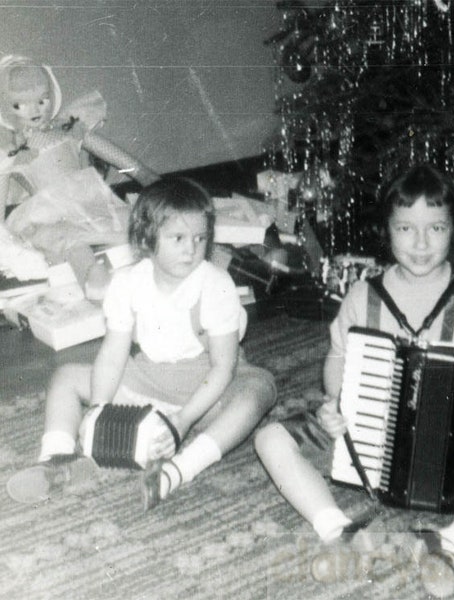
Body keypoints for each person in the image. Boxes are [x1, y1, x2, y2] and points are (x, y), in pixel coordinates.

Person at [254, 164, 454, 597]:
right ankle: (339, 532)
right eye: (405, 228)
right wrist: (335, 402)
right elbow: (338, 359)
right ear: (387, 231)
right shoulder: (363, 294)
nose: (420, 243)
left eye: (435, 227)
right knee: (270, 439)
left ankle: (448, 543)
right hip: (371, 443)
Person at [8, 177, 277, 510]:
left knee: (260, 389)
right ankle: (58, 457)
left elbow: (224, 366)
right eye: (178, 238)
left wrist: (184, 421)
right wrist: (99, 409)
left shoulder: (215, 285)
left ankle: (181, 469)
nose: (191, 249)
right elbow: (113, 353)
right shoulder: (127, 284)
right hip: (147, 379)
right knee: (66, 376)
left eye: (200, 238)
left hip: (205, 389)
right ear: (147, 239)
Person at [0, 54, 160, 295]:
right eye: (20, 105)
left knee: (128, 230)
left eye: (42, 100)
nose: (35, 110)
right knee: (72, 242)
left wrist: (145, 175)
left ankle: (148, 273)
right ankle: (93, 279)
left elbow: (112, 154)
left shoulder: (69, 128)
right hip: (50, 212)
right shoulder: (14, 149)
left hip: (91, 200)